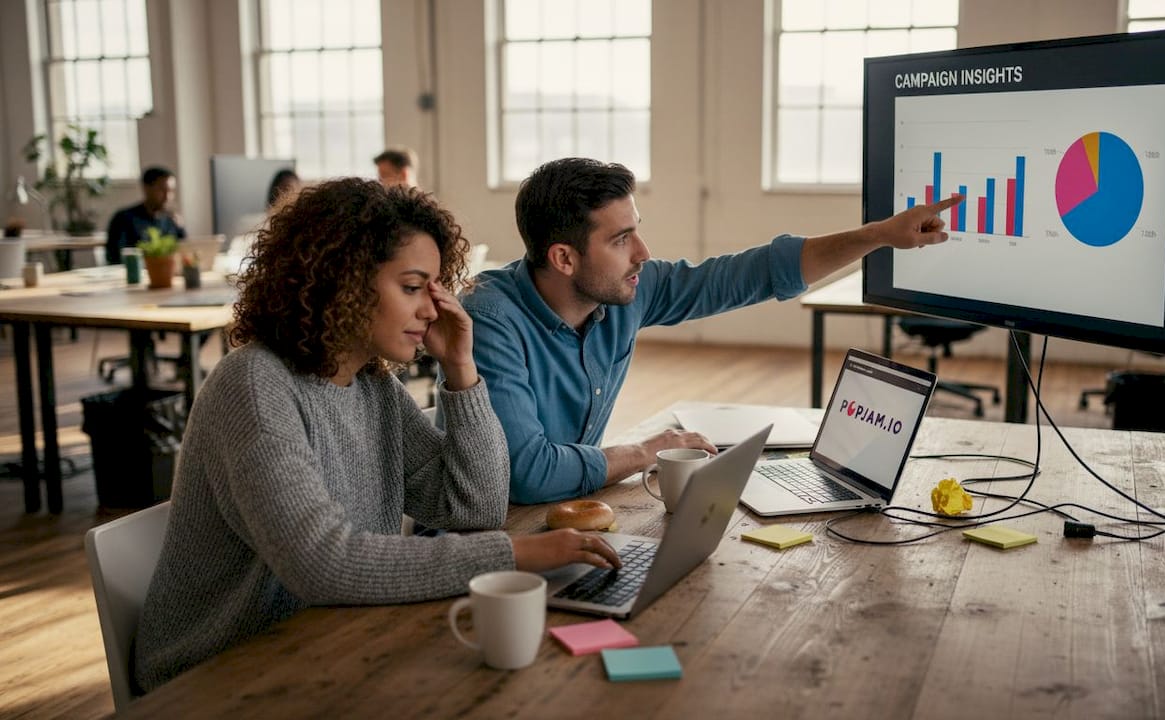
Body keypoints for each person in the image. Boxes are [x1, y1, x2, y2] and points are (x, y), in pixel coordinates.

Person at [134, 178, 620, 692]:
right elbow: (322, 564)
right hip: (215, 677)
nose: (432, 309)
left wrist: (461, 368)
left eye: (434, 289)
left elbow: (474, 506)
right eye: (412, 288)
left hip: (329, 644)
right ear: (340, 281)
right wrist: (514, 554)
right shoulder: (254, 385)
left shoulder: (372, 386)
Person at [446, 157, 962, 504]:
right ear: (563, 257)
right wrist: (645, 453)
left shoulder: (626, 290)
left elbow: (751, 274)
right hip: (487, 536)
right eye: (622, 238)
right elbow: (527, 473)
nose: (644, 253)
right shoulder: (492, 320)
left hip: (567, 513)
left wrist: (879, 236)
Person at [105, 165, 186, 264]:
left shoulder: (172, 221)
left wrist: (181, 228)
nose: (167, 197)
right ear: (146, 188)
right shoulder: (124, 218)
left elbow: (184, 253)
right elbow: (115, 257)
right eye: (162, 190)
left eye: (171, 191)